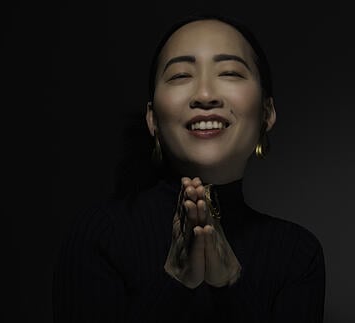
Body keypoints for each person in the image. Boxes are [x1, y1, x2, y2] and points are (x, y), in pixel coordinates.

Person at [52, 12, 326, 323]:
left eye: (230, 73)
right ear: (153, 119)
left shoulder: (297, 254)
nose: (205, 95)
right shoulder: (100, 235)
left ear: (267, 112)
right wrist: (175, 282)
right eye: (181, 75)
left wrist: (231, 284)